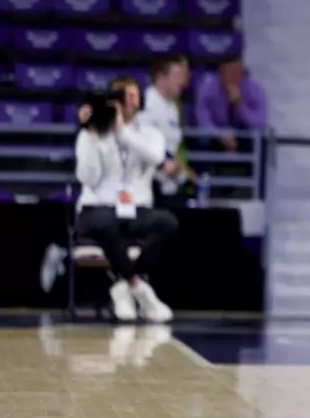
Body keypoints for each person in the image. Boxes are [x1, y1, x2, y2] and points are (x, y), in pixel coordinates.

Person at [74, 78, 178, 323]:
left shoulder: (151, 134)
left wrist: (123, 132)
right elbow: (89, 179)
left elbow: (155, 157)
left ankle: (122, 285)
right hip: (96, 207)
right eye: (123, 96)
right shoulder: (93, 133)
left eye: (134, 95)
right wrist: (91, 136)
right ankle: (139, 287)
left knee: (167, 222)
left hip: (134, 208)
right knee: (105, 222)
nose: (130, 101)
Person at [143, 55, 192, 210]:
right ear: (161, 78)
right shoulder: (147, 103)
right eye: (177, 76)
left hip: (170, 186)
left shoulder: (172, 106)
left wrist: (183, 172)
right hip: (149, 188)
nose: (183, 82)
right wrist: (166, 164)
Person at [194, 55, 269, 151]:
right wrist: (221, 136)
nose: (231, 78)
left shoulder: (255, 90)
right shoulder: (207, 88)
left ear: (242, 73)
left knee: (260, 143)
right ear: (220, 73)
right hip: (217, 137)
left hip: (246, 138)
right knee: (200, 142)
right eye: (227, 73)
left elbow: (260, 125)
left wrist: (240, 106)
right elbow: (204, 121)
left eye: (235, 73)